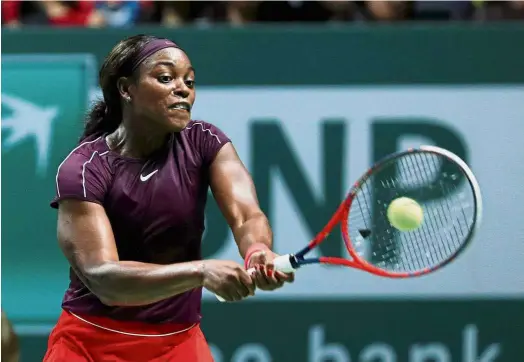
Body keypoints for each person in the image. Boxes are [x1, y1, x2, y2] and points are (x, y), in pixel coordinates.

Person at [44, 34, 294, 362]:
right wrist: (201, 272)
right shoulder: (85, 168)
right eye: (166, 78)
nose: (183, 89)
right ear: (125, 89)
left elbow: (246, 215)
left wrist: (257, 250)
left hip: (177, 343)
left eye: (189, 81)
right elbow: (104, 278)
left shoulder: (205, 141)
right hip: (91, 342)